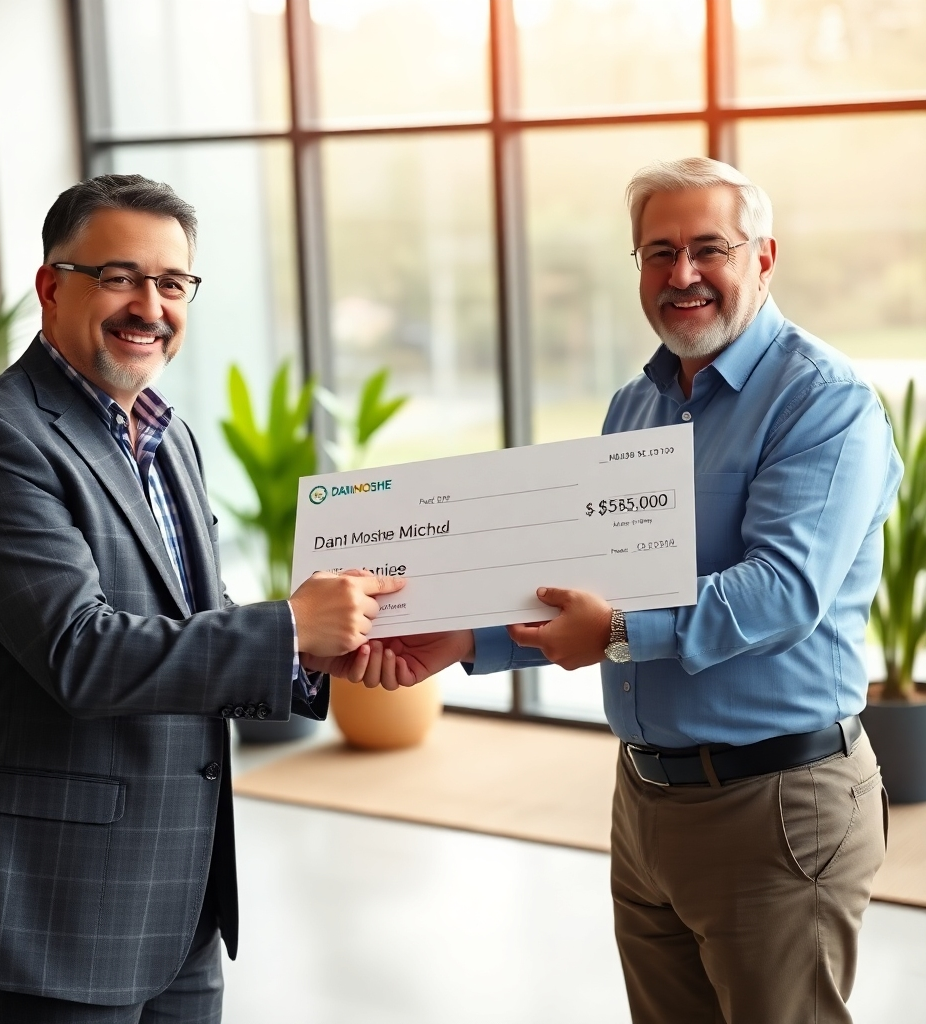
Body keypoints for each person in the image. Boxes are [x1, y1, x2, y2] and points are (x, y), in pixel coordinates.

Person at [361, 157, 902, 1024]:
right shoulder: (633, 407)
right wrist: (460, 639)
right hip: (646, 801)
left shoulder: (823, 402)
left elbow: (782, 590)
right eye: (657, 252)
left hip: (776, 806)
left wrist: (614, 632)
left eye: (707, 249)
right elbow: (583, 585)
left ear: (763, 258)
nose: (681, 275)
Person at [0, 174, 401, 1023]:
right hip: (51, 916)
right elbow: (83, 653)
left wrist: (318, 653)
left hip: (181, 907)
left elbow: (193, 621)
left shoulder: (166, 435)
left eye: (172, 283)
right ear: (50, 286)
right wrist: (287, 628)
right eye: (120, 276)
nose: (150, 305)